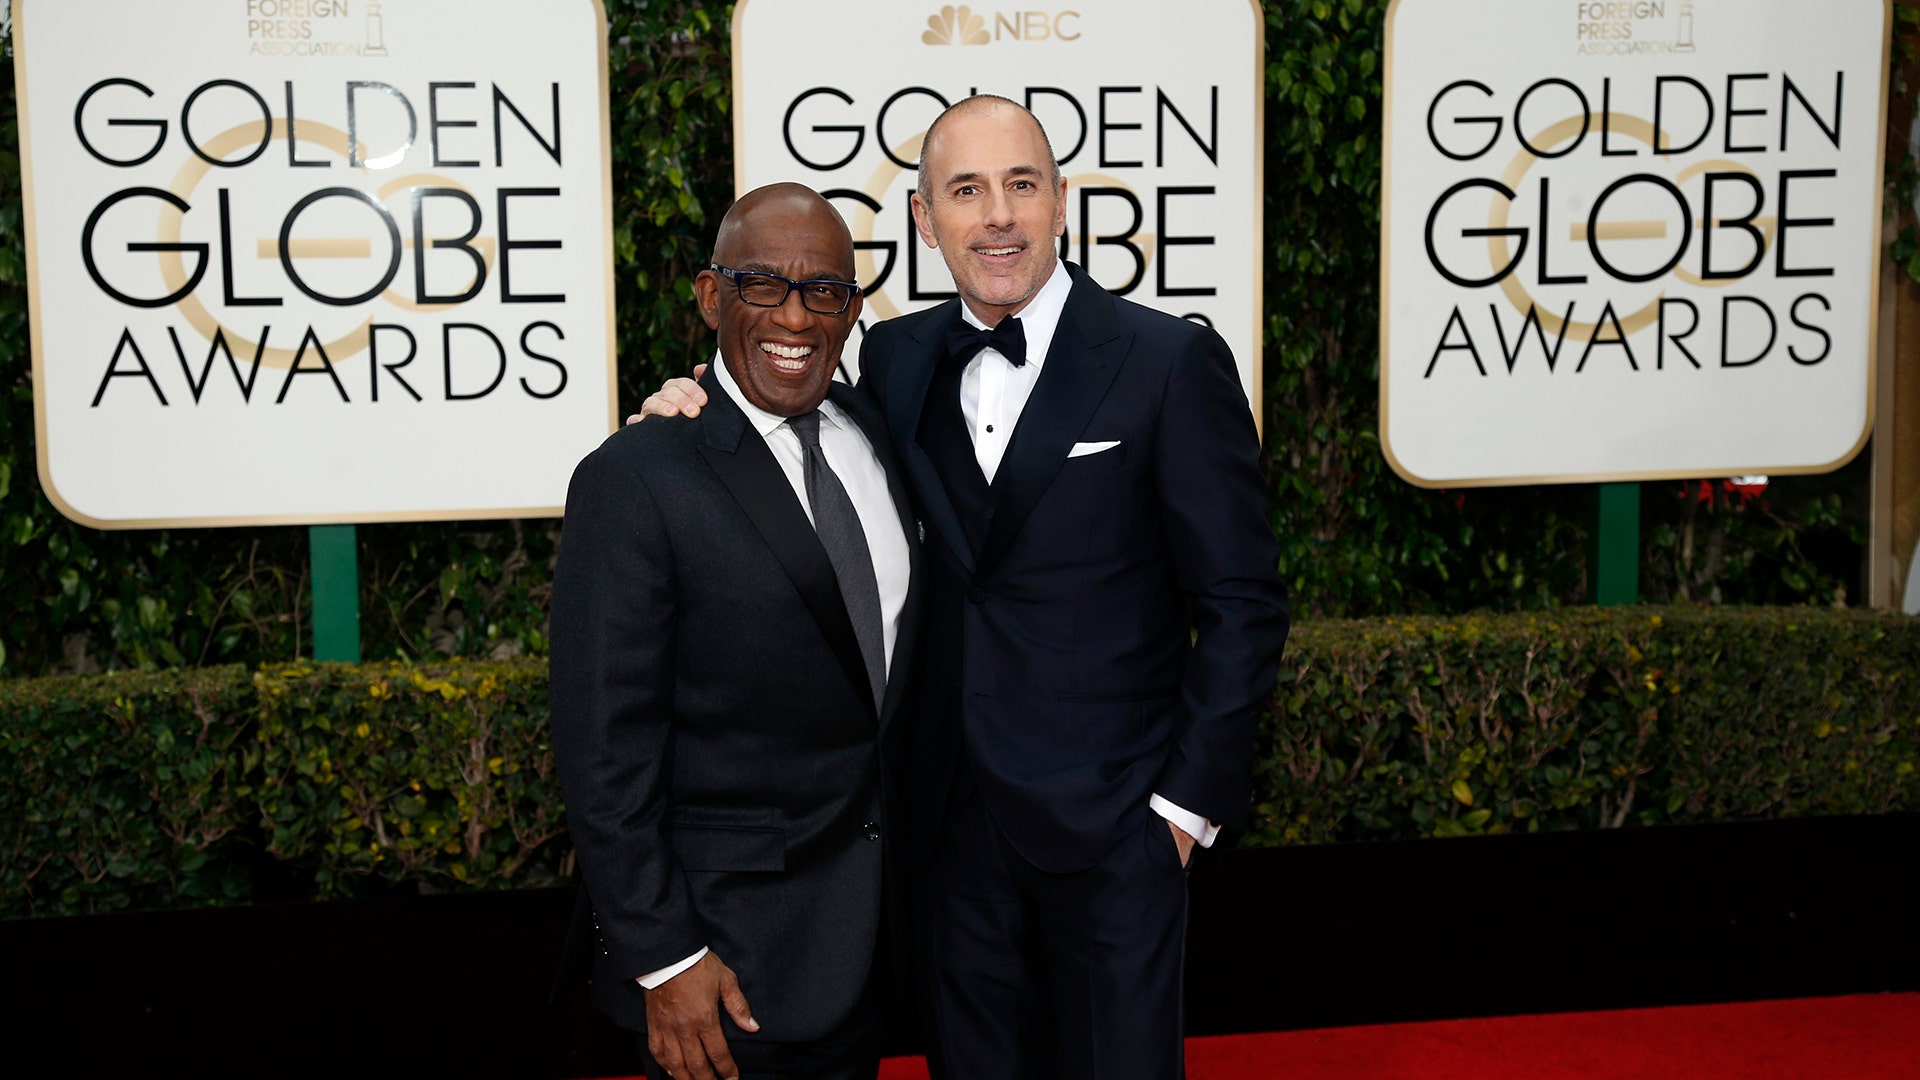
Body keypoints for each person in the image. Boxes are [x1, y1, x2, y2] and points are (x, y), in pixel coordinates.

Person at [641, 95, 1289, 1079]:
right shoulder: (896, 361)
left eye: (1022, 185)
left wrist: (1181, 816)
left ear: (1062, 202)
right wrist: (696, 400)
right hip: (946, 841)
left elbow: (1243, 603)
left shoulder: (1166, 362)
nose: (998, 215)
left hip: (1116, 837)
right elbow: (793, 429)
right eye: (967, 190)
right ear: (924, 219)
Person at [549, 183, 921, 1080]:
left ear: (852, 309)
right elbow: (603, 750)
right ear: (714, 298)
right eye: (764, 285)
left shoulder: (879, 431)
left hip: (873, 950)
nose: (795, 315)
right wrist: (663, 958)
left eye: (824, 290)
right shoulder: (637, 476)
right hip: (722, 976)